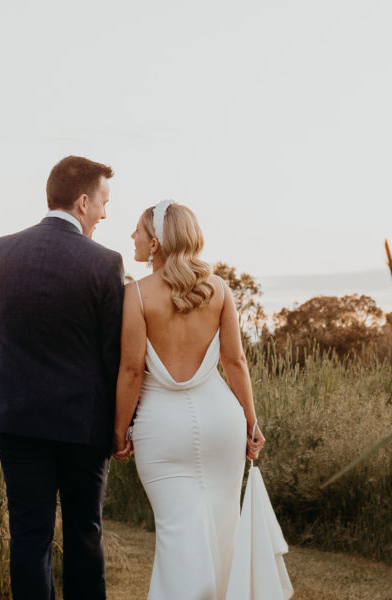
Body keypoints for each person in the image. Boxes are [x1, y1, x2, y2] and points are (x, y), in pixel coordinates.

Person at [0, 155, 123, 599]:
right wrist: (119, 424)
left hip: (16, 420)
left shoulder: (0, 250)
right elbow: (112, 353)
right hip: (83, 424)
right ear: (81, 202)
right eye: (103, 202)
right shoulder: (105, 263)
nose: (105, 213)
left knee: (29, 537)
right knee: (85, 534)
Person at [111, 200, 279, 598]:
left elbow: (132, 371)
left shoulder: (134, 295)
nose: (131, 237)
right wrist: (251, 424)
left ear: (155, 242)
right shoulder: (218, 288)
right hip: (222, 422)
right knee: (223, 534)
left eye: (137, 230)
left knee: (177, 536)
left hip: (162, 428)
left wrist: (118, 433)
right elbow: (235, 361)